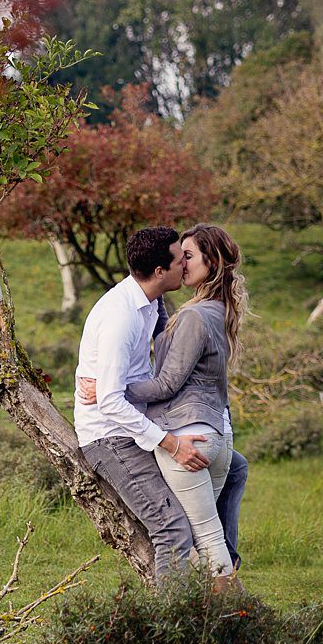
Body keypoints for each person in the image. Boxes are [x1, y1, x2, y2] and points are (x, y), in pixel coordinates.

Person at [75, 227, 251, 584]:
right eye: (179, 259)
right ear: (160, 272)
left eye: (189, 257)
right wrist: (170, 442)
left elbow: (169, 347)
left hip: (138, 424)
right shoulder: (120, 315)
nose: (183, 265)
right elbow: (109, 400)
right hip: (110, 436)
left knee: (232, 472)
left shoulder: (154, 302)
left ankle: (216, 583)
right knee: (173, 529)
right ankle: (173, 621)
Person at [125, 224, 246, 584]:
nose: (180, 262)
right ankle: (219, 619)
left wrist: (114, 390)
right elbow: (167, 340)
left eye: (188, 255)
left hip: (190, 437)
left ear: (212, 260)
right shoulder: (216, 310)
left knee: (207, 542)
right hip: (216, 435)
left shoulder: (195, 316)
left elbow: (166, 383)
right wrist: (157, 290)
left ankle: (240, 622)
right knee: (200, 541)